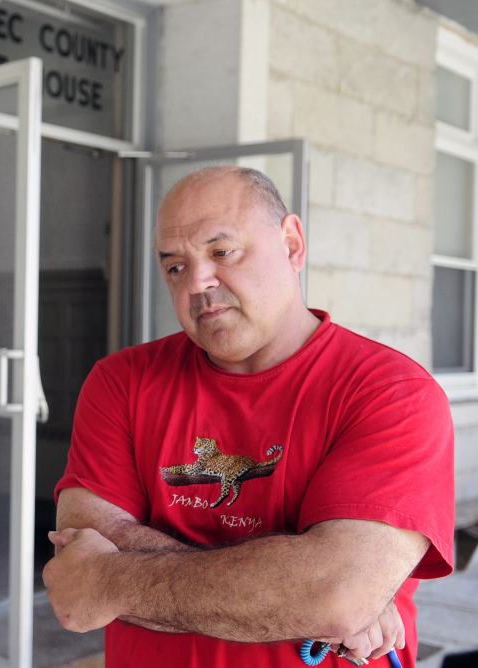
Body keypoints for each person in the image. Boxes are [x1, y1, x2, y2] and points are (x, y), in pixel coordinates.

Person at [44, 165, 455, 668]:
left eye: (222, 251)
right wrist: (304, 592)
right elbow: (81, 546)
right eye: (174, 266)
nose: (197, 281)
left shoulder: (390, 393)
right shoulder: (121, 381)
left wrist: (109, 580)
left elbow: (336, 595)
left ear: (292, 244)